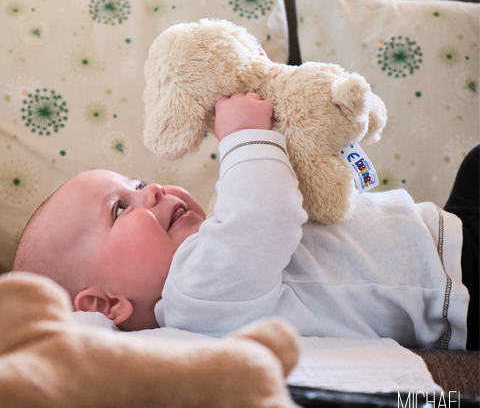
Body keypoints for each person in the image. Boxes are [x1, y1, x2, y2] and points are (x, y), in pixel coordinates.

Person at [12, 93, 479, 350]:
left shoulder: (212, 254)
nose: (150, 191)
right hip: (457, 281)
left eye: (137, 182)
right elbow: (265, 214)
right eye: (119, 208)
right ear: (105, 305)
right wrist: (242, 135)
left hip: (443, 234)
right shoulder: (192, 298)